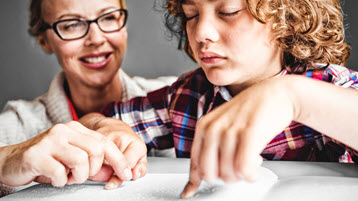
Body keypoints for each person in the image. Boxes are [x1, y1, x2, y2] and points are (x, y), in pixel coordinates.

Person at [101, 0, 358, 198]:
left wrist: (294, 96)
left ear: (289, 17)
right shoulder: (188, 96)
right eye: (191, 14)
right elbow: (97, 121)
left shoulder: (334, 86)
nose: (201, 32)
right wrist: (106, 128)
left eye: (228, 11)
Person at [0, 0, 177, 195]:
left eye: (109, 17)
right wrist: (5, 160)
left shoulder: (179, 101)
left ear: (123, 24)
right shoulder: (16, 124)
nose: (96, 39)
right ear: (44, 39)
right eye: (72, 25)